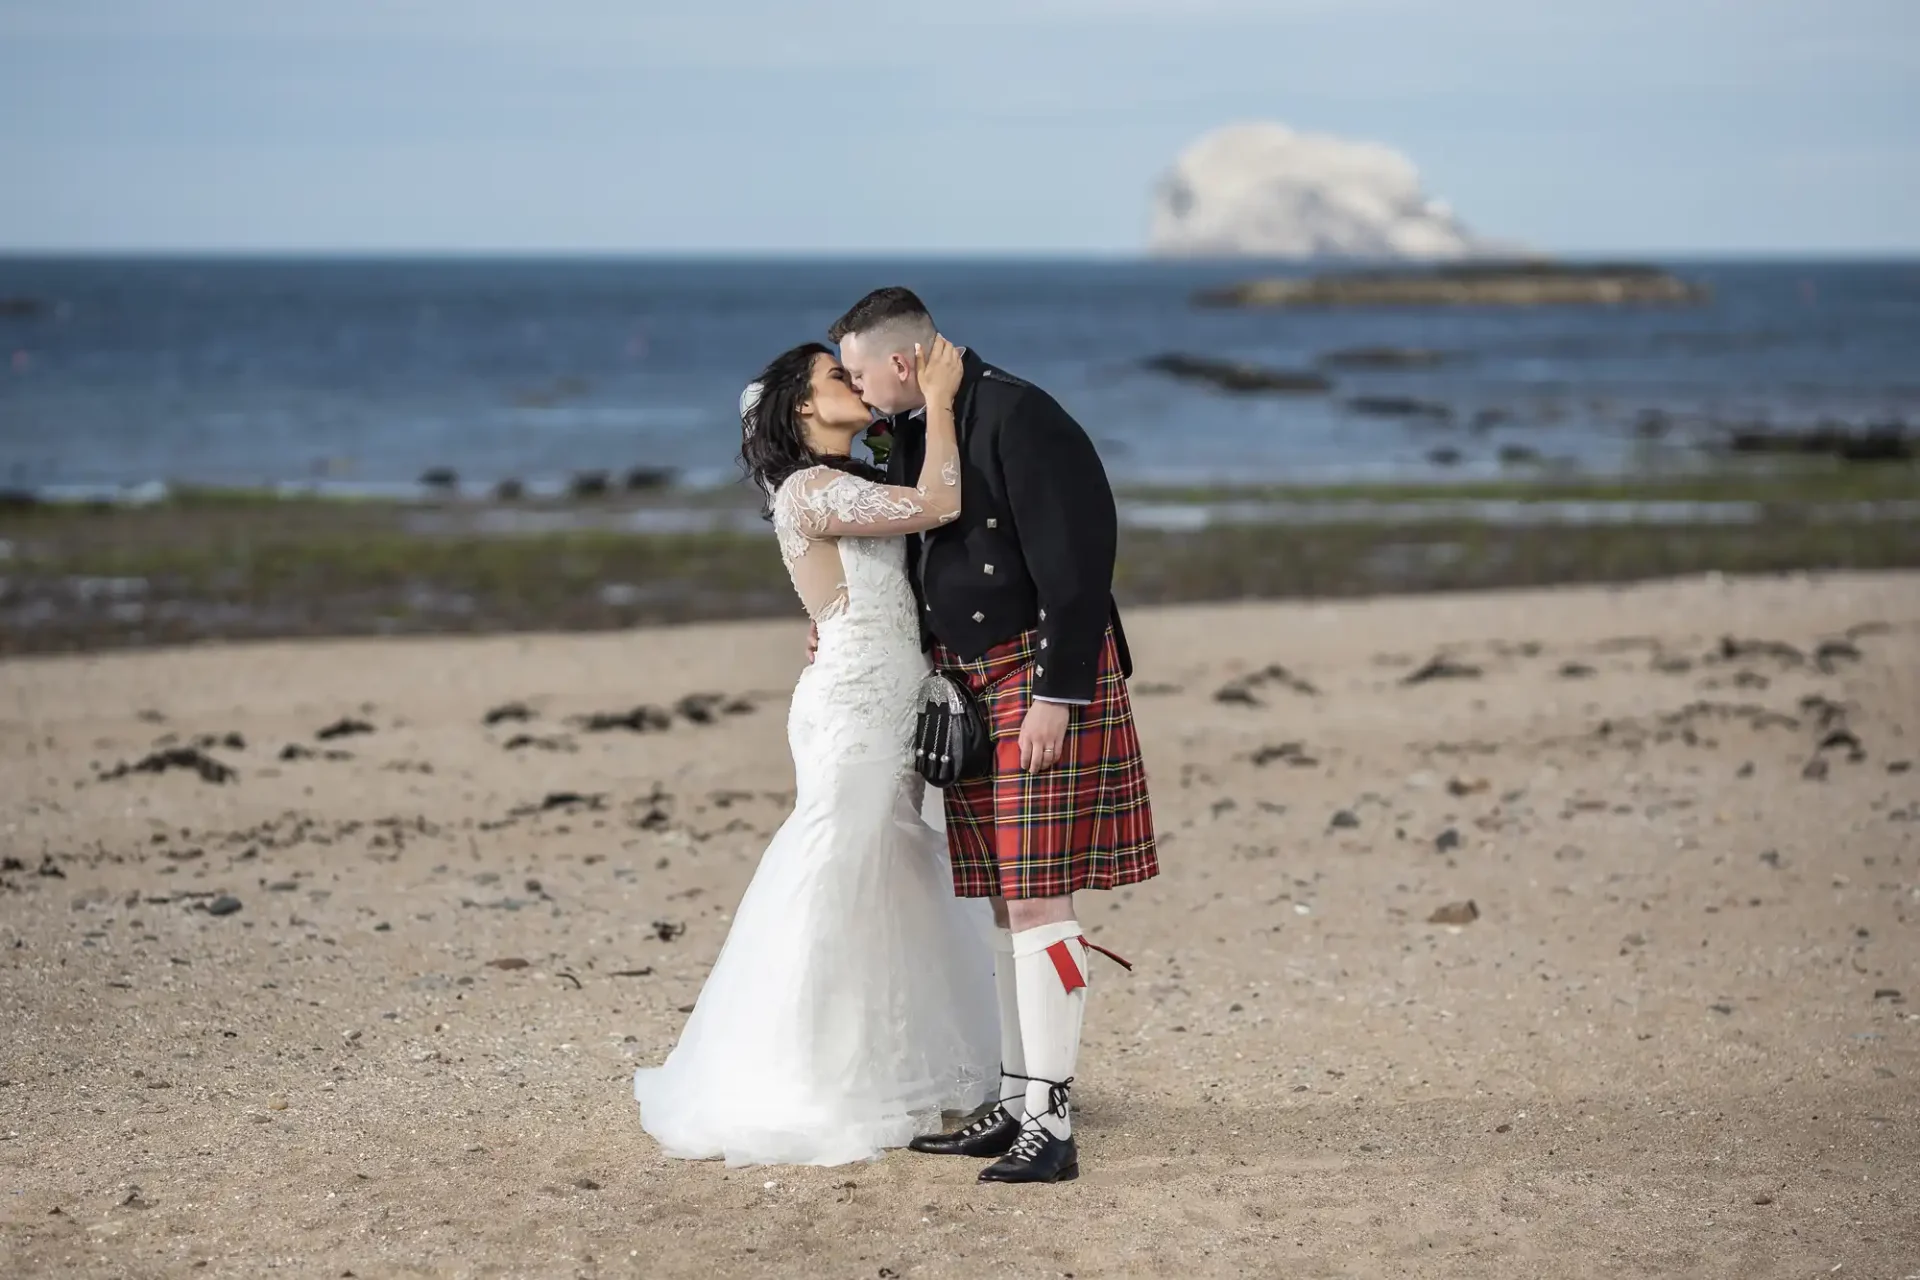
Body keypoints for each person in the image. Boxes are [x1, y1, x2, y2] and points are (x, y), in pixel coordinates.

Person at [632, 336, 1000, 1167]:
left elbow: (888, 579)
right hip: (851, 705)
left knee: (893, 877)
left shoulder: (851, 484)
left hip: (888, 691)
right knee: (834, 865)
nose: (855, 382)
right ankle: (796, 1078)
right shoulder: (809, 488)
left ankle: (889, 1065)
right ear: (803, 406)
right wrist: (940, 399)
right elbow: (940, 504)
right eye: (838, 376)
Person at [827, 287, 1160, 1184]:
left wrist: (1061, 694)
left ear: (903, 361)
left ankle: (1050, 1125)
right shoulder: (922, 425)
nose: (858, 397)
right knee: (1008, 901)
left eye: (860, 375)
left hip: (1033, 676)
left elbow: (1081, 567)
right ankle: (1016, 1101)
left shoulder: (1022, 414)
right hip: (970, 690)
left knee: (1042, 897)